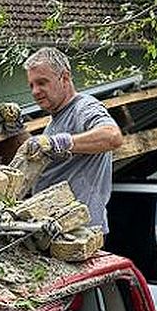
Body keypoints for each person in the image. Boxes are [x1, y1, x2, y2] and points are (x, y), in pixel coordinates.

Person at [21, 47, 123, 233]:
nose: (35, 91)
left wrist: (64, 142)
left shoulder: (84, 108)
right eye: (31, 85)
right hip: (55, 229)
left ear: (65, 78)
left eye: (42, 82)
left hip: (80, 232)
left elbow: (113, 136)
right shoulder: (55, 118)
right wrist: (16, 131)